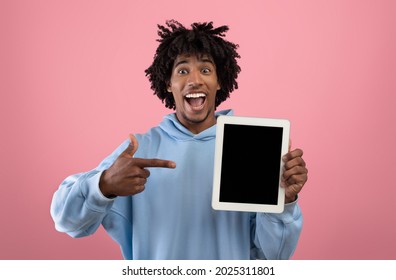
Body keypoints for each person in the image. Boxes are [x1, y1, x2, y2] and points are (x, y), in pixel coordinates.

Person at [50, 19, 308, 260]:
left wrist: (284, 202)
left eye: (205, 69)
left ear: (219, 82)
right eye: (182, 70)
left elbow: (273, 257)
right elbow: (67, 221)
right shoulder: (139, 152)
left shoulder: (250, 149)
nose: (194, 80)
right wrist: (103, 185)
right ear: (167, 84)